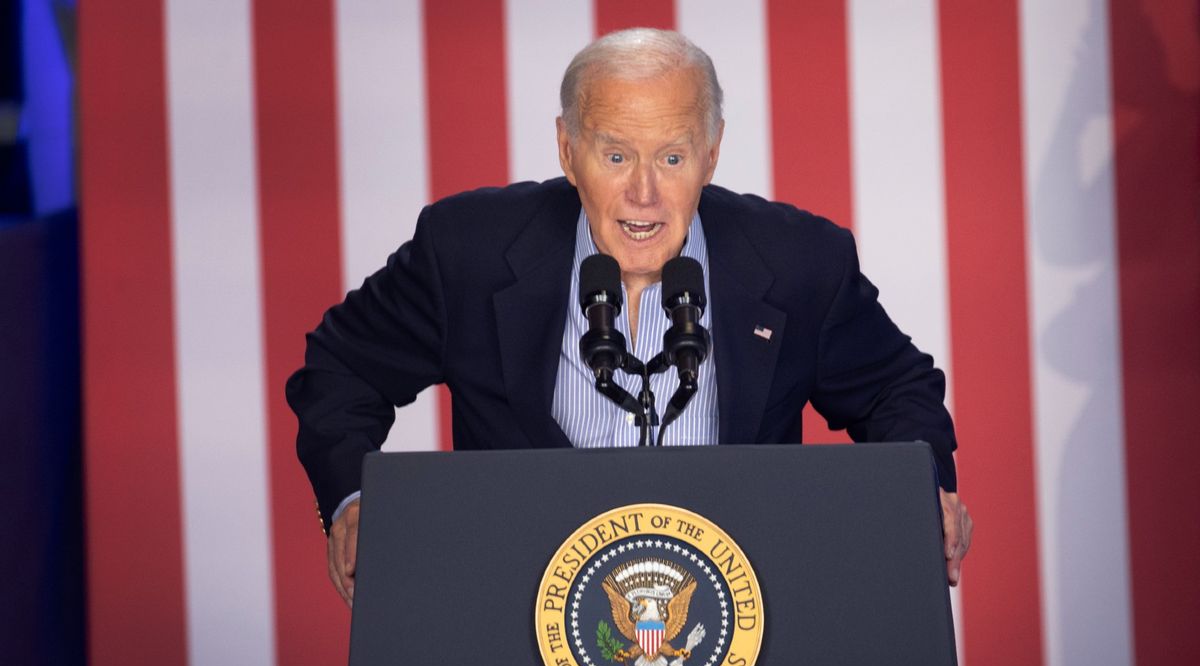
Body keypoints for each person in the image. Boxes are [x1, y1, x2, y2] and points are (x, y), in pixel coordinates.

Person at [286, 28, 973, 609]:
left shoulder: (799, 263)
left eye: (671, 157)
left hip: (729, 623)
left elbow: (896, 391)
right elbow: (342, 368)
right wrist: (351, 500)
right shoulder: (467, 251)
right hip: (519, 621)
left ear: (711, 154)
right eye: (615, 155)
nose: (642, 193)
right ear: (567, 150)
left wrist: (925, 492)